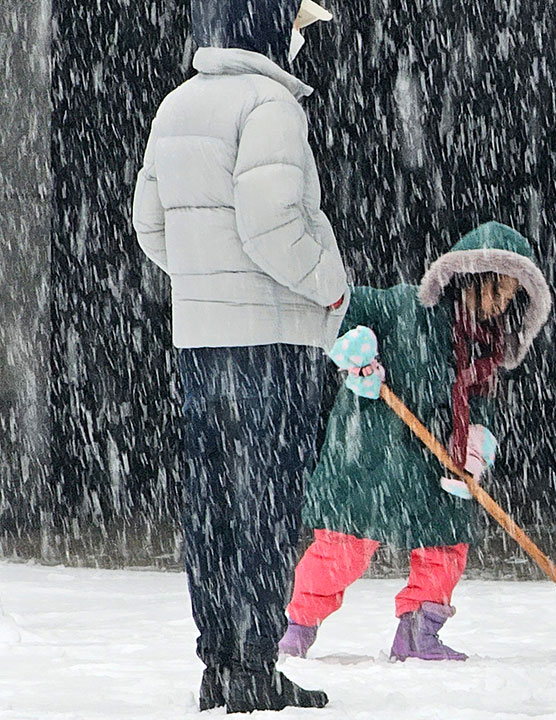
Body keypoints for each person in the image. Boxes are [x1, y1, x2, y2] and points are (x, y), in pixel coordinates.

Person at [132, 0, 345, 712]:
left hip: (200, 345)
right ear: (265, 29)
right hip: (271, 344)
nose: (298, 42)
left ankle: (220, 665)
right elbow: (274, 224)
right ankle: (255, 667)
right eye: (294, 28)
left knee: (214, 507)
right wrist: (331, 286)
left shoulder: (177, 105)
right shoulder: (271, 105)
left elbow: (149, 225)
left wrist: (201, 283)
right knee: (267, 507)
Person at [276, 221, 551, 662]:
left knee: (446, 544)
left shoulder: (485, 348)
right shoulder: (404, 305)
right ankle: (296, 628)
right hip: (370, 451)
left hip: (435, 462)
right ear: (471, 276)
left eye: (511, 296)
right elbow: (341, 307)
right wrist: (353, 351)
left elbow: (480, 410)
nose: (501, 305)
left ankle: (419, 635)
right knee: (341, 550)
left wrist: (475, 452)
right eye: (497, 290)